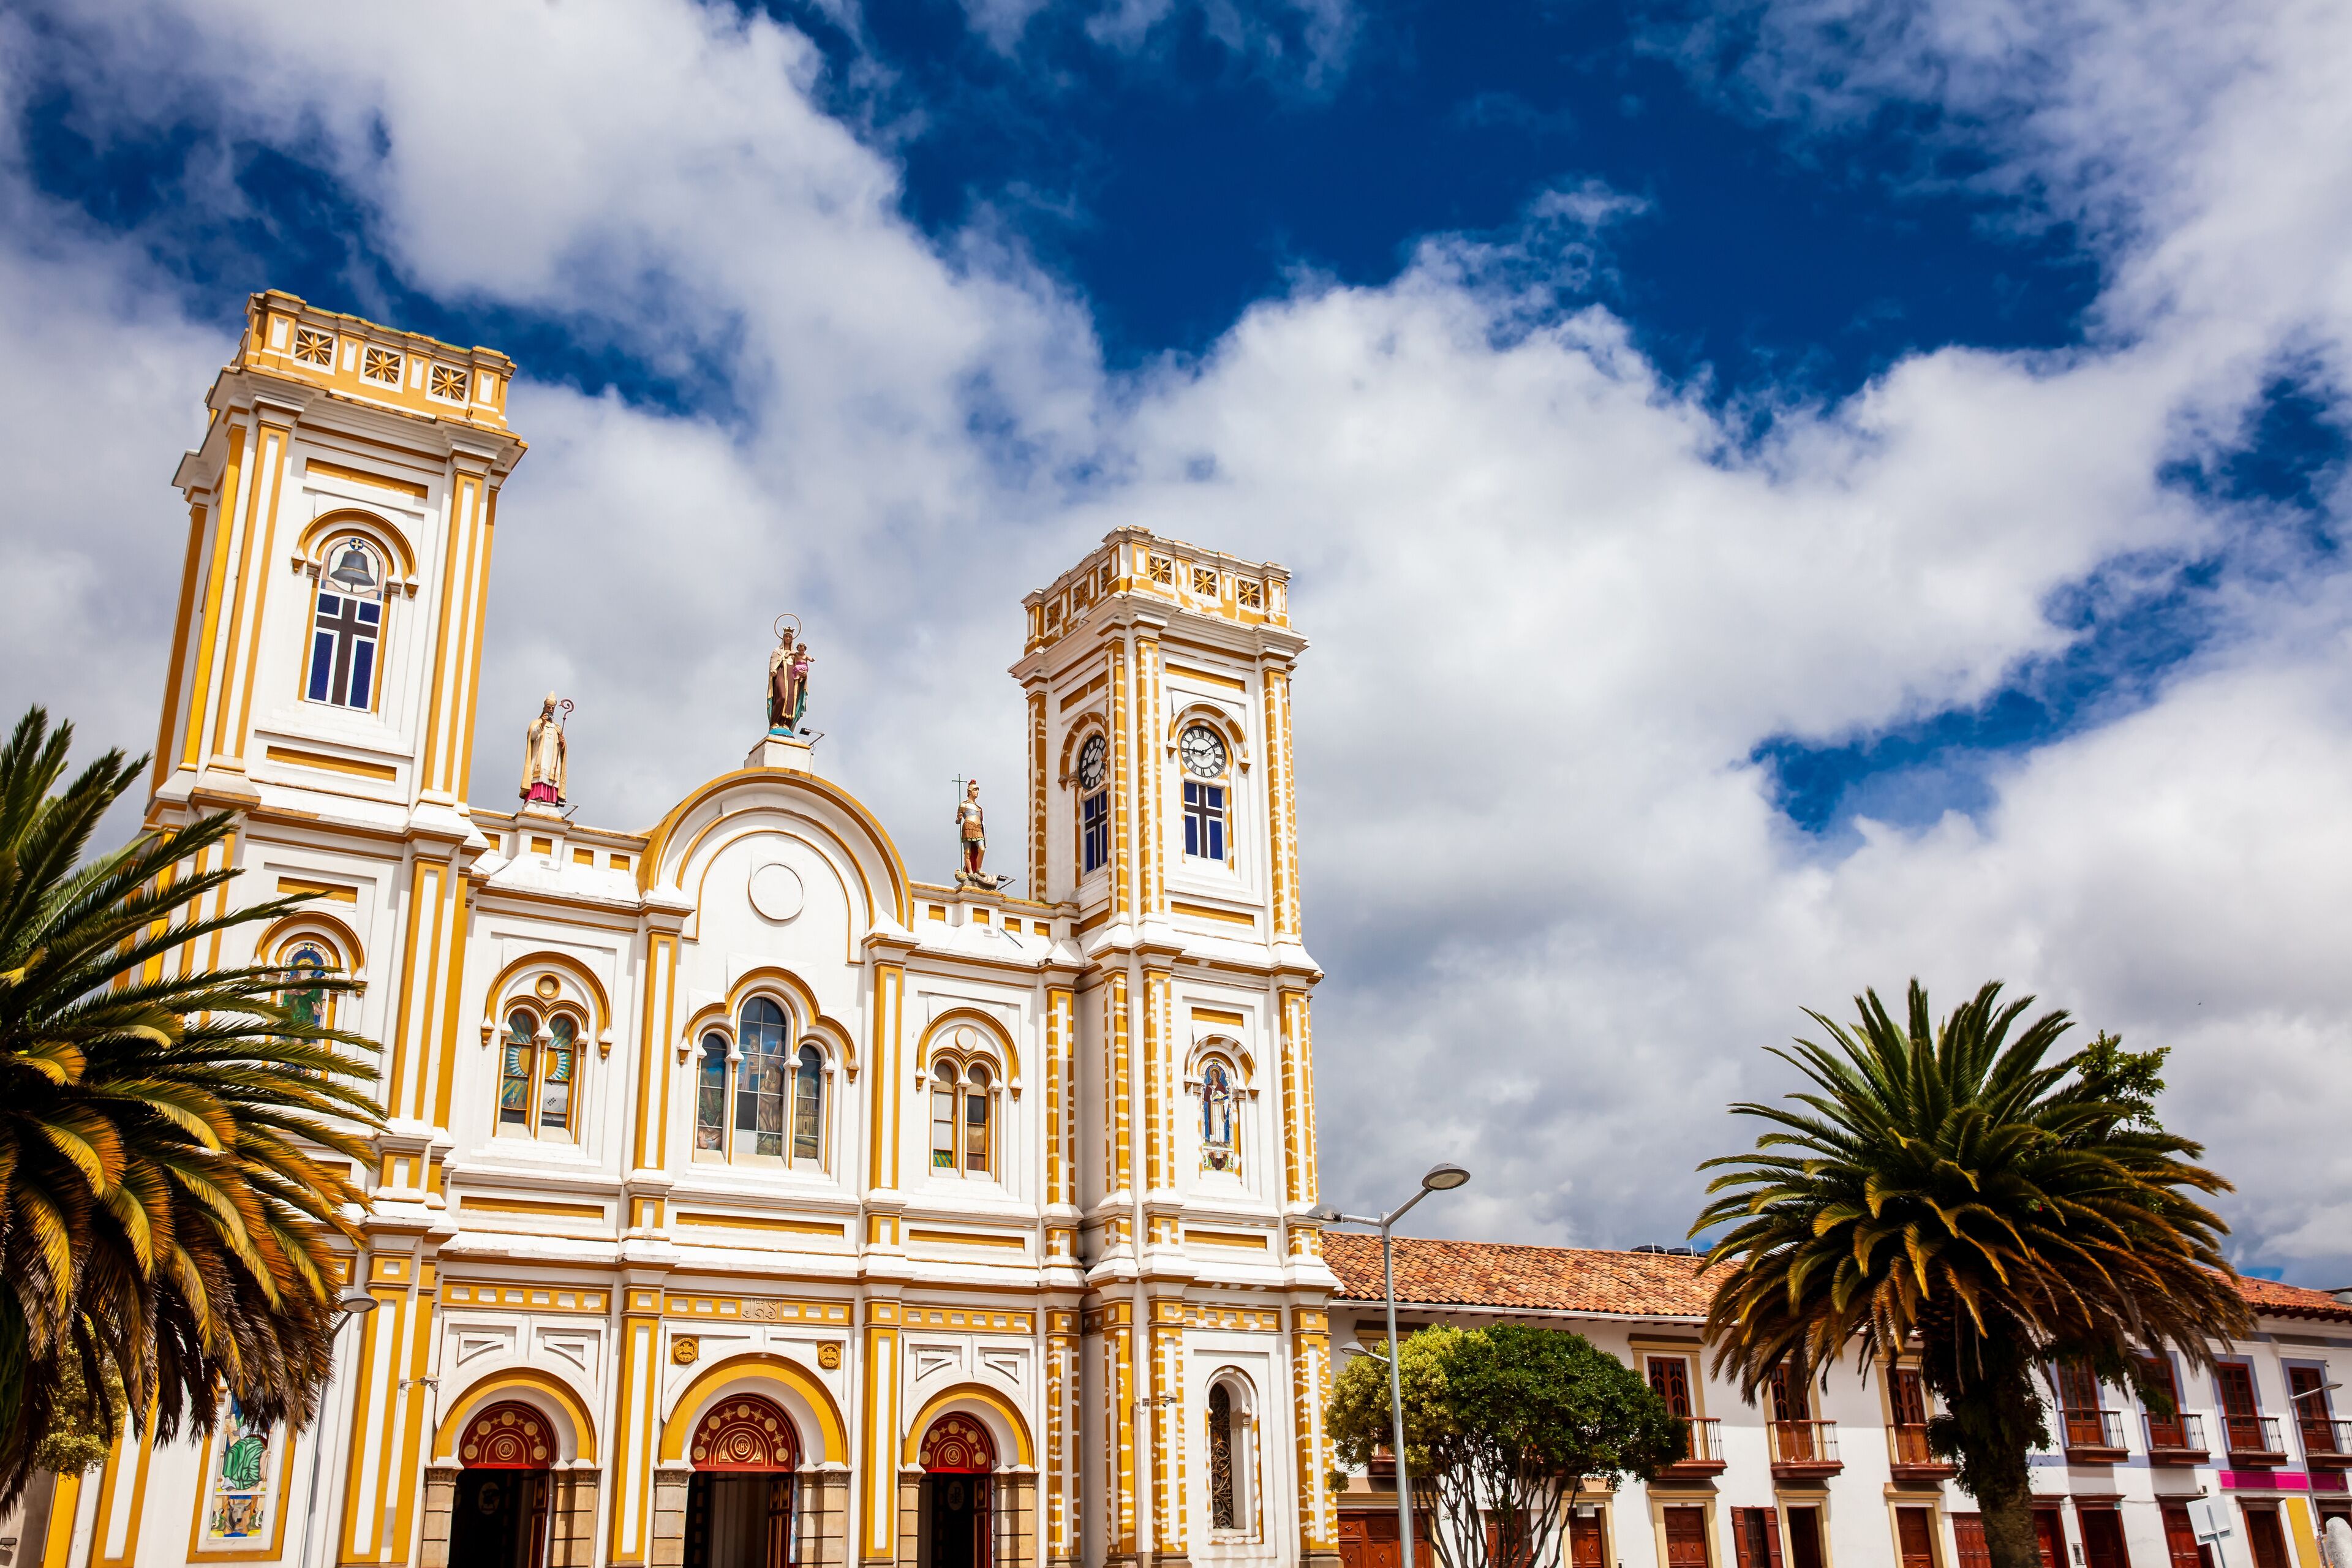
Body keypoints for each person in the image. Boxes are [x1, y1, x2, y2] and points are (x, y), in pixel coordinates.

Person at [520, 693, 565, 804]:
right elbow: (532, 736)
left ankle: (551, 799)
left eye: (552, 708)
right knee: (539, 774)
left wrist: (563, 744)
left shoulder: (557, 728)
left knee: (552, 776)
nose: (550, 710)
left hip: (552, 760)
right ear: (544, 708)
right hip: (540, 757)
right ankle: (537, 796)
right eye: (548, 707)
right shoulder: (537, 723)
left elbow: (562, 749)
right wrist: (542, 725)